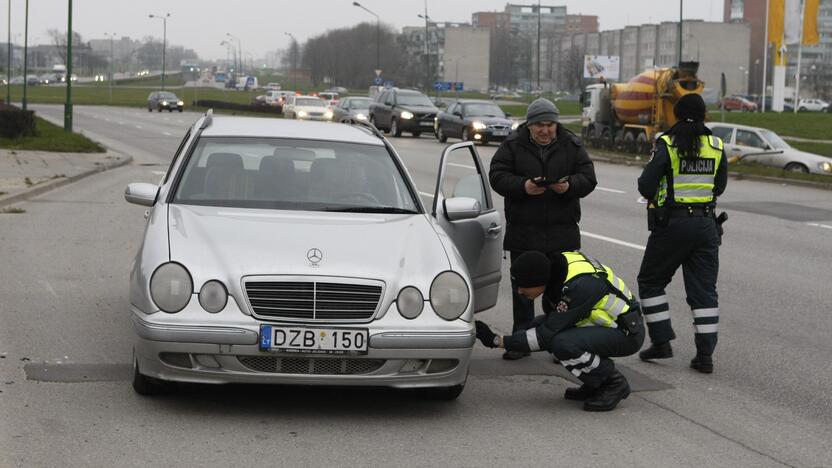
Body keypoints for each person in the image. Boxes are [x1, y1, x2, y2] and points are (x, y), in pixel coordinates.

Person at [489, 98, 597, 360]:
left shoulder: (571, 144)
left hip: (562, 233)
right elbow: (497, 175)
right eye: (539, 125)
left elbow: (589, 178)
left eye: (550, 125)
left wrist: (569, 186)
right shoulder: (513, 145)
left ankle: (559, 344)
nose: (546, 130)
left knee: (561, 293)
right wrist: (523, 186)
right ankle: (521, 340)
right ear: (529, 125)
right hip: (525, 232)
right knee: (524, 292)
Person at [475, 250, 645, 412]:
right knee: (537, 327)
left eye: (523, 286)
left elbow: (544, 337)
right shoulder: (558, 271)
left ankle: (614, 383)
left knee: (561, 343)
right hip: (608, 326)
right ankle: (596, 382)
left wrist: (497, 341)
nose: (519, 291)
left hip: (627, 334)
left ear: (538, 281)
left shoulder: (578, 286)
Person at [636, 93, 728, 374]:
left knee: (650, 281)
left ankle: (662, 342)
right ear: (704, 116)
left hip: (673, 226)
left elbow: (646, 185)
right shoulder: (716, 145)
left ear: (676, 115)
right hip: (705, 226)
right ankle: (705, 356)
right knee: (704, 293)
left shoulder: (667, 143)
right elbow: (719, 186)